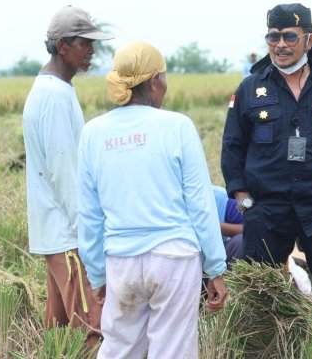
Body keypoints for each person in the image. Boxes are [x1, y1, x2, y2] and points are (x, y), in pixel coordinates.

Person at [77, 42, 227, 358]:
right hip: (174, 259)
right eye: (164, 78)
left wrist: (97, 274)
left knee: (119, 349)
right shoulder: (178, 126)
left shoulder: (94, 132)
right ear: (154, 81)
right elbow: (200, 204)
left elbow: (89, 214)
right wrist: (215, 268)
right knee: (172, 350)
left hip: (121, 261)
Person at [221, 3, 312, 309]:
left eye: (290, 36)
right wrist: (247, 204)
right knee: (259, 300)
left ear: (309, 40)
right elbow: (232, 150)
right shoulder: (249, 90)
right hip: (267, 212)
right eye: (273, 37)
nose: (281, 45)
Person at [21, 5, 112, 348]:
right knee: (92, 331)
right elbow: (64, 173)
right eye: (84, 44)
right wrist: (87, 233)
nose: (91, 51)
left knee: (60, 335)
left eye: (92, 44)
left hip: (57, 233)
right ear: (62, 46)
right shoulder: (54, 96)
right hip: (70, 236)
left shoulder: (54, 88)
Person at [212, 185, 244, 266]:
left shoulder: (220, 197)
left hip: (217, 259)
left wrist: (211, 226)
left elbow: (249, 228)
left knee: (241, 241)